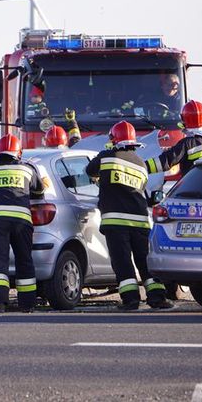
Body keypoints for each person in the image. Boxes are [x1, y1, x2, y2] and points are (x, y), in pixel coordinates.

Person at [86, 121, 172, 310]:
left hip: (116, 221)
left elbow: (90, 171)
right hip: (140, 221)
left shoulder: (106, 156)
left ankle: (131, 300)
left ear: (113, 140)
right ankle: (157, 298)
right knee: (144, 261)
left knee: (123, 261)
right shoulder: (141, 163)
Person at [0, 134, 45, 313]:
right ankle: (28, 304)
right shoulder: (27, 169)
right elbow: (39, 191)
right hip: (22, 222)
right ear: (19, 152)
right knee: (24, 260)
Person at [145, 100, 202, 177]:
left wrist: (143, 166)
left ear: (184, 119)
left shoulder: (187, 144)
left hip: (196, 188)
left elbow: (164, 162)